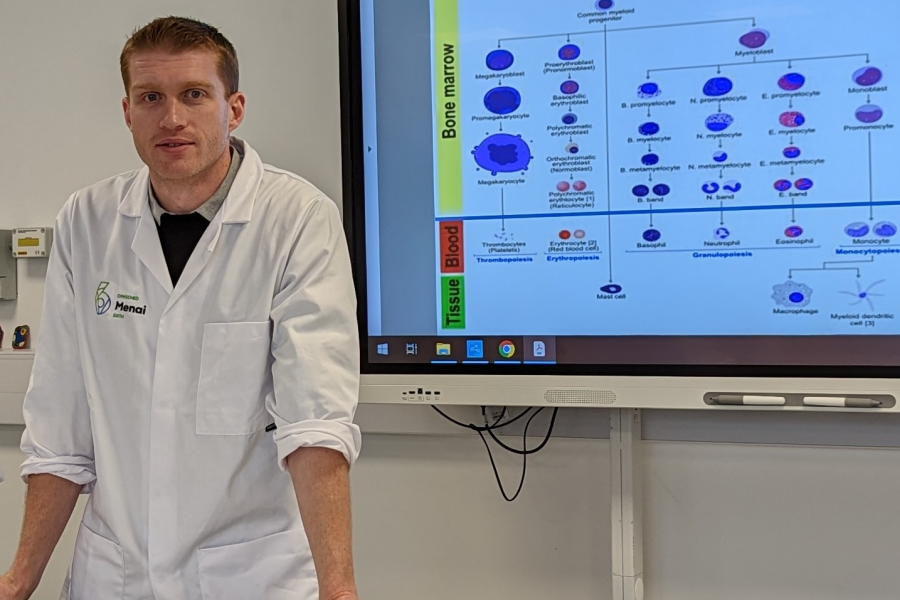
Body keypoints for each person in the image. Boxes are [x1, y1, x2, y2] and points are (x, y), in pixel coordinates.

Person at [0, 16, 362, 600]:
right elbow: (59, 430)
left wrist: (339, 588)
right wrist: (18, 581)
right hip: (112, 577)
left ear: (234, 107)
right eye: (151, 98)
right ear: (127, 112)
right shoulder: (86, 223)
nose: (171, 118)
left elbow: (314, 423)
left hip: (250, 578)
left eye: (194, 94)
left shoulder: (297, 219)